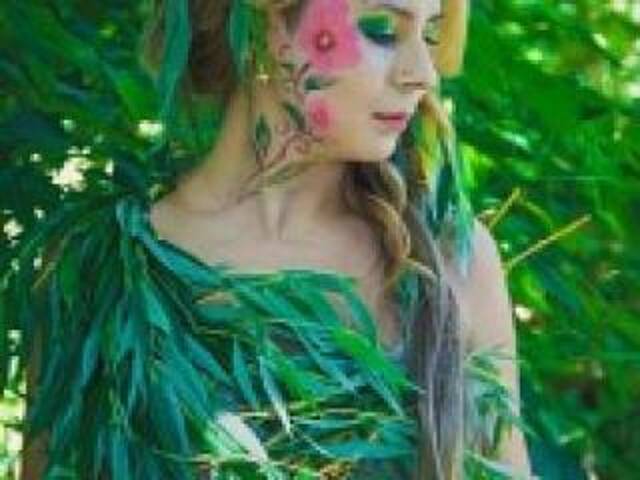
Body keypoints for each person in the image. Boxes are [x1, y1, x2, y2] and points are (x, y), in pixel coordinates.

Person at [19, 0, 533, 478]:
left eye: (431, 36)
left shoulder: (452, 263)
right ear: (267, 25)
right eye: (382, 30)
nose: (422, 73)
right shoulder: (94, 267)